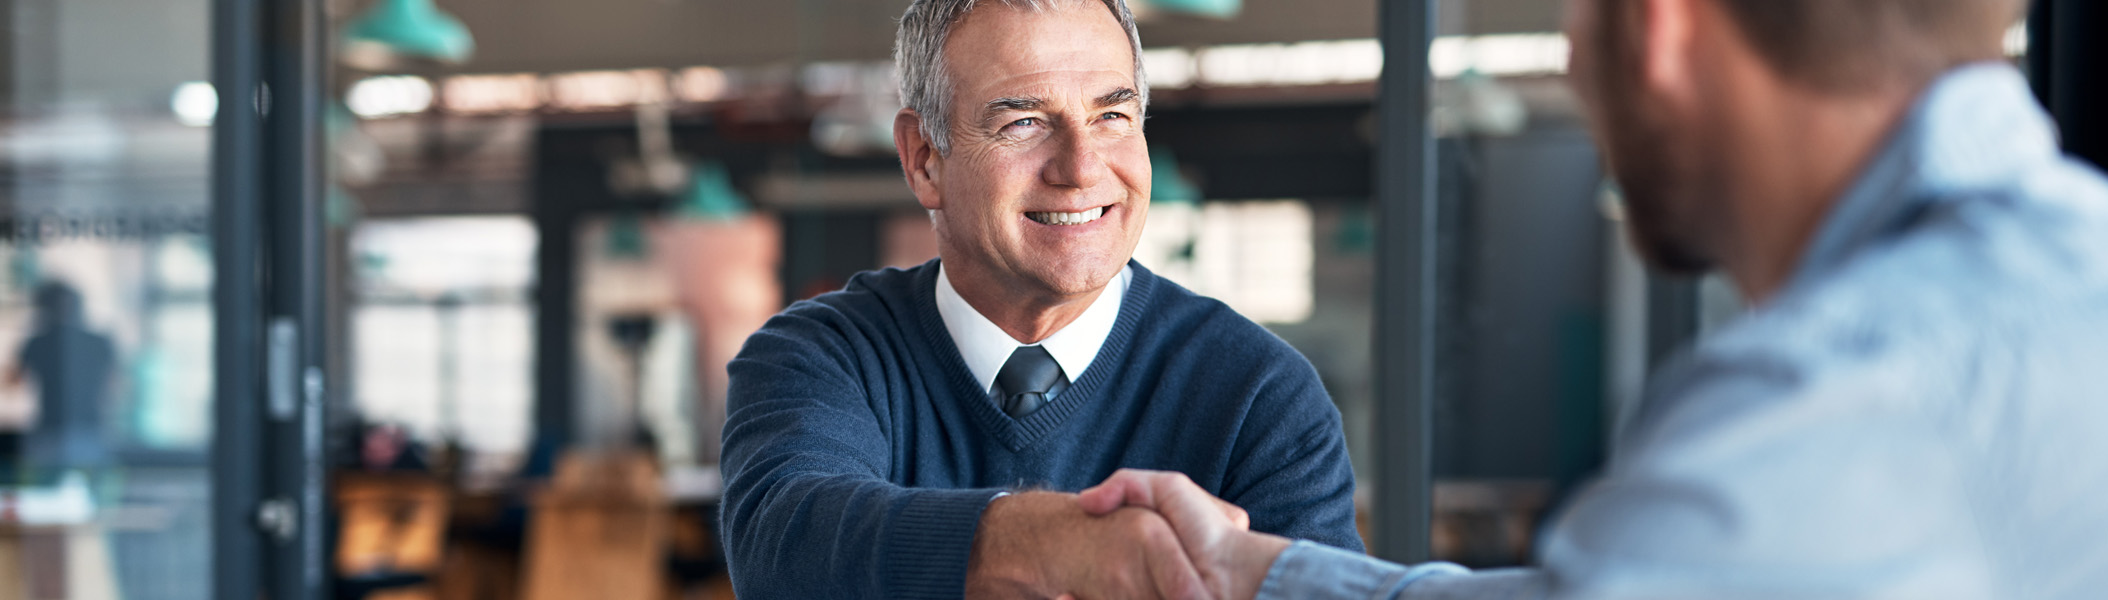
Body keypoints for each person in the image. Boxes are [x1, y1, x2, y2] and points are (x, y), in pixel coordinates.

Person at [1078, 0, 2108, 598]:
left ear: (1657, 31)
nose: (1576, 63)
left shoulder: (1834, 391)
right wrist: (1254, 572)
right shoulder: (2061, 269)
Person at [717, 0, 1362, 597]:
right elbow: (784, 540)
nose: (1080, 168)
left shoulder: (1258, 393)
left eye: (1111, 115)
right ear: (924, 160)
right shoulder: (823, 356)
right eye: (1024, 122)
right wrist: (1052, 544)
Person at [7, 281, 116, 484]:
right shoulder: (99, 341)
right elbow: (115, 385)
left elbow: (13, 381)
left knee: (46, 492)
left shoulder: (37, 342)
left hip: (63, 430)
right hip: (79, 428)